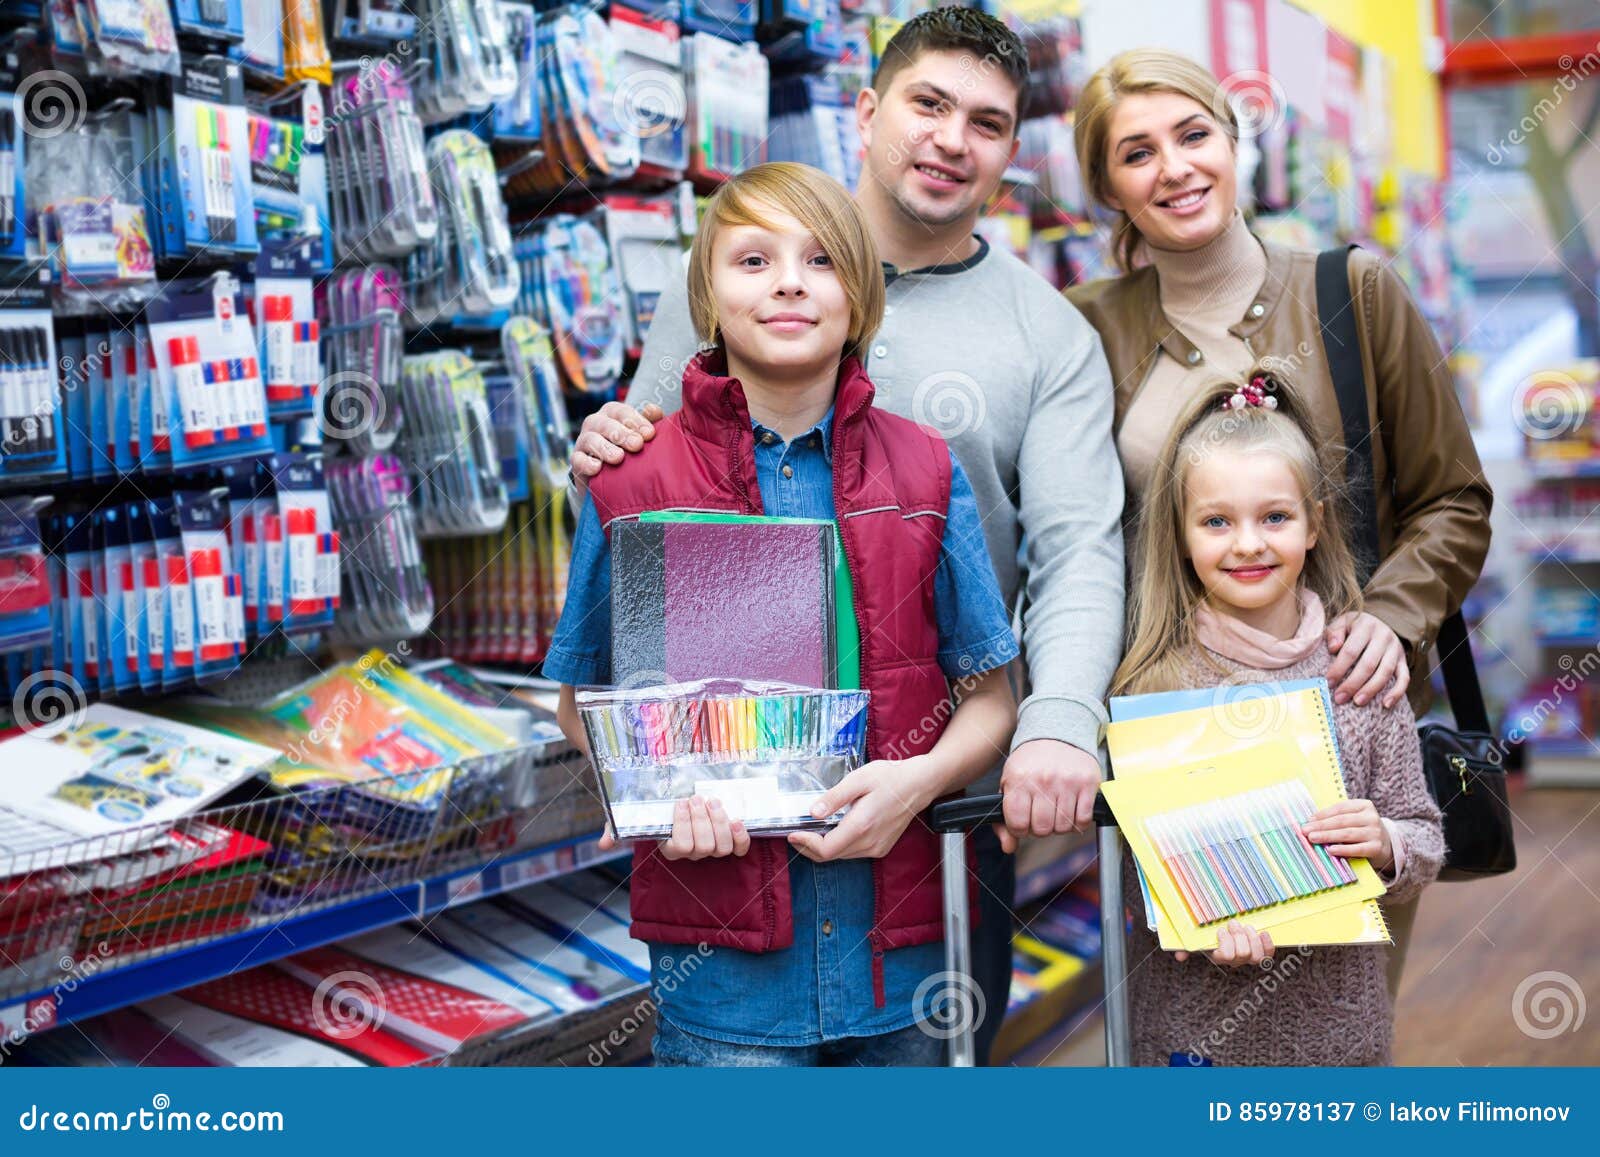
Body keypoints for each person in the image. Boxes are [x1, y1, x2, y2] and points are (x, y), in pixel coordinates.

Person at [568, 8, 1127, 1064]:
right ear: (866, 111)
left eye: (987, 122)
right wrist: (648, 771)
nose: (951, 138)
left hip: (942, 802)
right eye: (927, 104)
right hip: (728, 815)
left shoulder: (1044, 333)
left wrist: (1052, 726)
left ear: (1013, 151)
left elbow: (1079, 550)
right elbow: (644, 514)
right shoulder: (739, 278)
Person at [547, 162, 1019, 1066]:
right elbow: (577, 699)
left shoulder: (923, 468)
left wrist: (916, 784)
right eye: (753, 260)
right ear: (708, 295)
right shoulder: (632, 478)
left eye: (821, 261)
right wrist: (656, 789)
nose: (790, 281)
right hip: (724, 979)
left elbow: (990, 698)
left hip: (900, 968)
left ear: (861, 295)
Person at [1065, 48, 1491, 993]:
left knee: (1338, 1018)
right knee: (1187, 1016)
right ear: (1107, 188)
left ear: (1233, 139)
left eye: (1192, 134)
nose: (1173, 167)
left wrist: (1392, 613)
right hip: (1171, 740)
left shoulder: (1354, 292)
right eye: (1136, 154)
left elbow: (1452, 497)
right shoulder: (1086, 325)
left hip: (1346, 730)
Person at [1110, 367, 1443, 1066]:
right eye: (1216, 521)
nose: (1248, 544)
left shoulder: (1359, 672)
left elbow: (1425, 839)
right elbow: (1139, 888)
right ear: (1181, 533)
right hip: (1192, 1041)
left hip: (1336, 1040)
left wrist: (1384, 839)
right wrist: (1196, 921)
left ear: (1316, 522)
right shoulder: (1153, 688)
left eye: (1275, 517)